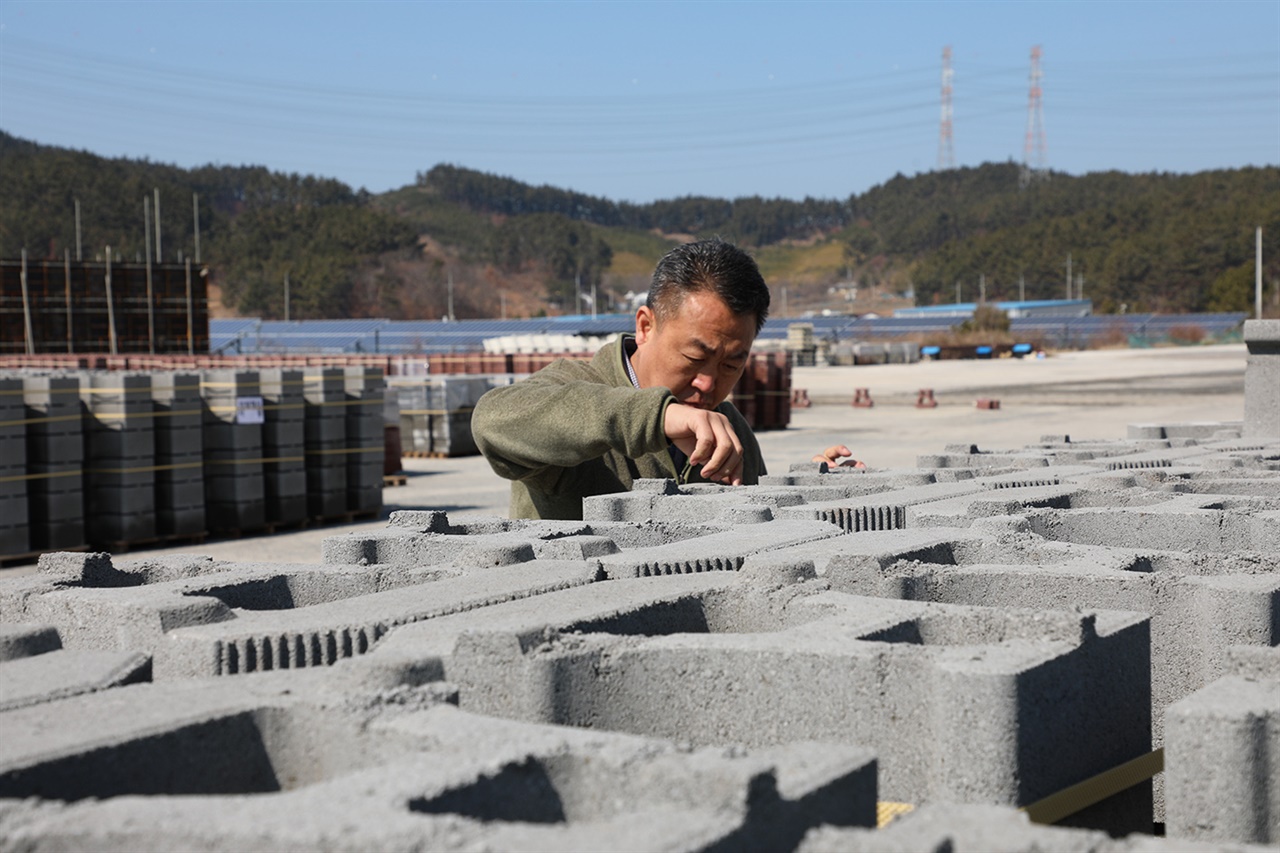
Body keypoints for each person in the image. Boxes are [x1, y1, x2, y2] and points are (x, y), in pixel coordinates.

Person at [473, 238, 860, 520]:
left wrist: (804, 489)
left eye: (731, 365)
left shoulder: (730, 429)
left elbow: (747, 530)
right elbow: (493, 419)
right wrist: (657, 417)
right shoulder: (576, 388)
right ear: (645, 326)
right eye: (695, 358)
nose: (709, 384)